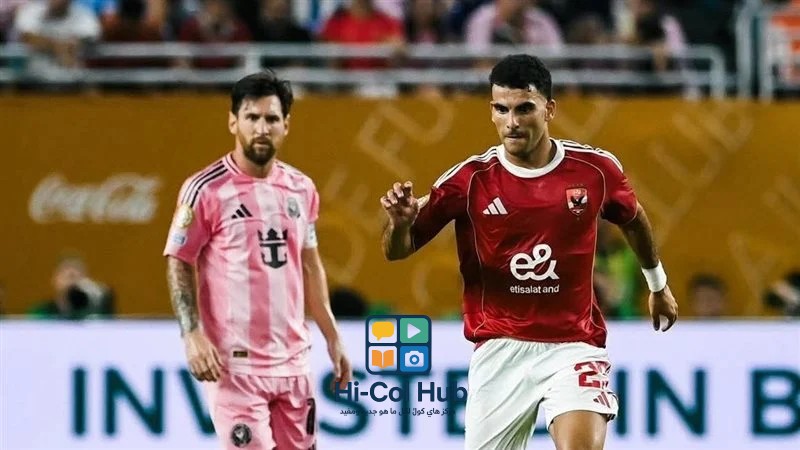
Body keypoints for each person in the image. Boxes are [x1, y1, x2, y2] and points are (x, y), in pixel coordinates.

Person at [379, 54, 678, 450]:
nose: (512, 122)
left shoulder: (594, 169)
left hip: (574, 344)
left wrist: (658, 284)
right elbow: (397, 252)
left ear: (549, 109)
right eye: (501, 109)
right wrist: (400, 224)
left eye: (524, 109)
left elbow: (633, 218)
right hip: (499, 348)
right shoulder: (469, 180)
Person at [163, 70, 352, 450]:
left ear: (286, 125)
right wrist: (192, 334)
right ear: (233, 122)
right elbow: (178, 259)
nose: (262, 128)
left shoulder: (301, 188)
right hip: (235, 365)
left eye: (271, 118)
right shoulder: (206, 189)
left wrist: (332, 336)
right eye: (252, 117)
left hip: (294, 362)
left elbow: (310, 264)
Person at [29, 251, 114, 320]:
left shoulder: (94, 313)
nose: (72, 282)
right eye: (68, 276)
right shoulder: (40, 314)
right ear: (55, 279)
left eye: (77, 276)